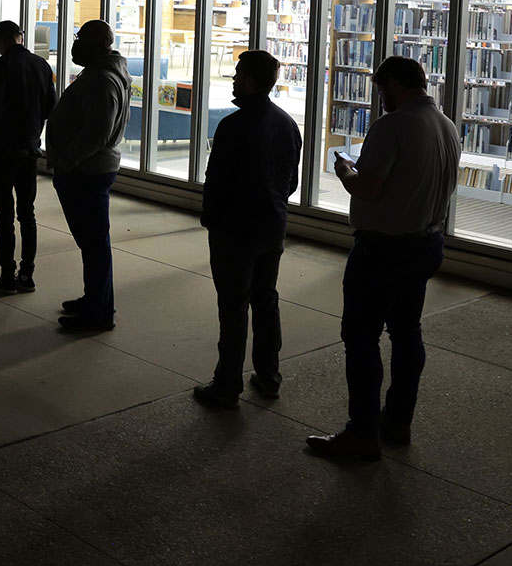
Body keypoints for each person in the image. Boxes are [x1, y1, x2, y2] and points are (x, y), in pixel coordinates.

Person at [307, 55, 460, 462]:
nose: (380, 99)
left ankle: (362, 433)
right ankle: (397, 421)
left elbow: (368, 188)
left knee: (361, 337)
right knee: (407, 333)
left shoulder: (391, 126)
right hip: (426, 244)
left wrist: (345, 173)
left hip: (383, 250)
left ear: (393, 83)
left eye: (381, 90)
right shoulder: (447, 126)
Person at [192, 51, 303, 408]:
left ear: (251, 81)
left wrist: (210, 218)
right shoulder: (287, 124)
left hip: (234, 230)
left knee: (233, 306)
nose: (234, 79)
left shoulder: (232, 126)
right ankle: (268, 375)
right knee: (266, 300)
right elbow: (291, 182)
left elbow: (217, 181)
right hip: (272, 226)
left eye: (238, 74)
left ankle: (227, 384)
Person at [45, 20, 131, 332]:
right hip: (84, 170)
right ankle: (96, 298)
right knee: (92, 243)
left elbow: (97, 131)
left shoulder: (101, 80)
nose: (75, 43)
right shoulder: (101, 74)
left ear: (97, 45)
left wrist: (67, 160)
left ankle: (98, 312)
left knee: (94, 244)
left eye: (80, 38)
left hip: (86, 172)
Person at [0, 20, 56, 296]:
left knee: (5, 216)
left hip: (3, 151)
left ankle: (6, 276)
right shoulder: (42, 66)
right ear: (20, 37)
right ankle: (27, 274)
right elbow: (50, 108)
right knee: (27, 214)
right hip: (30, 149)